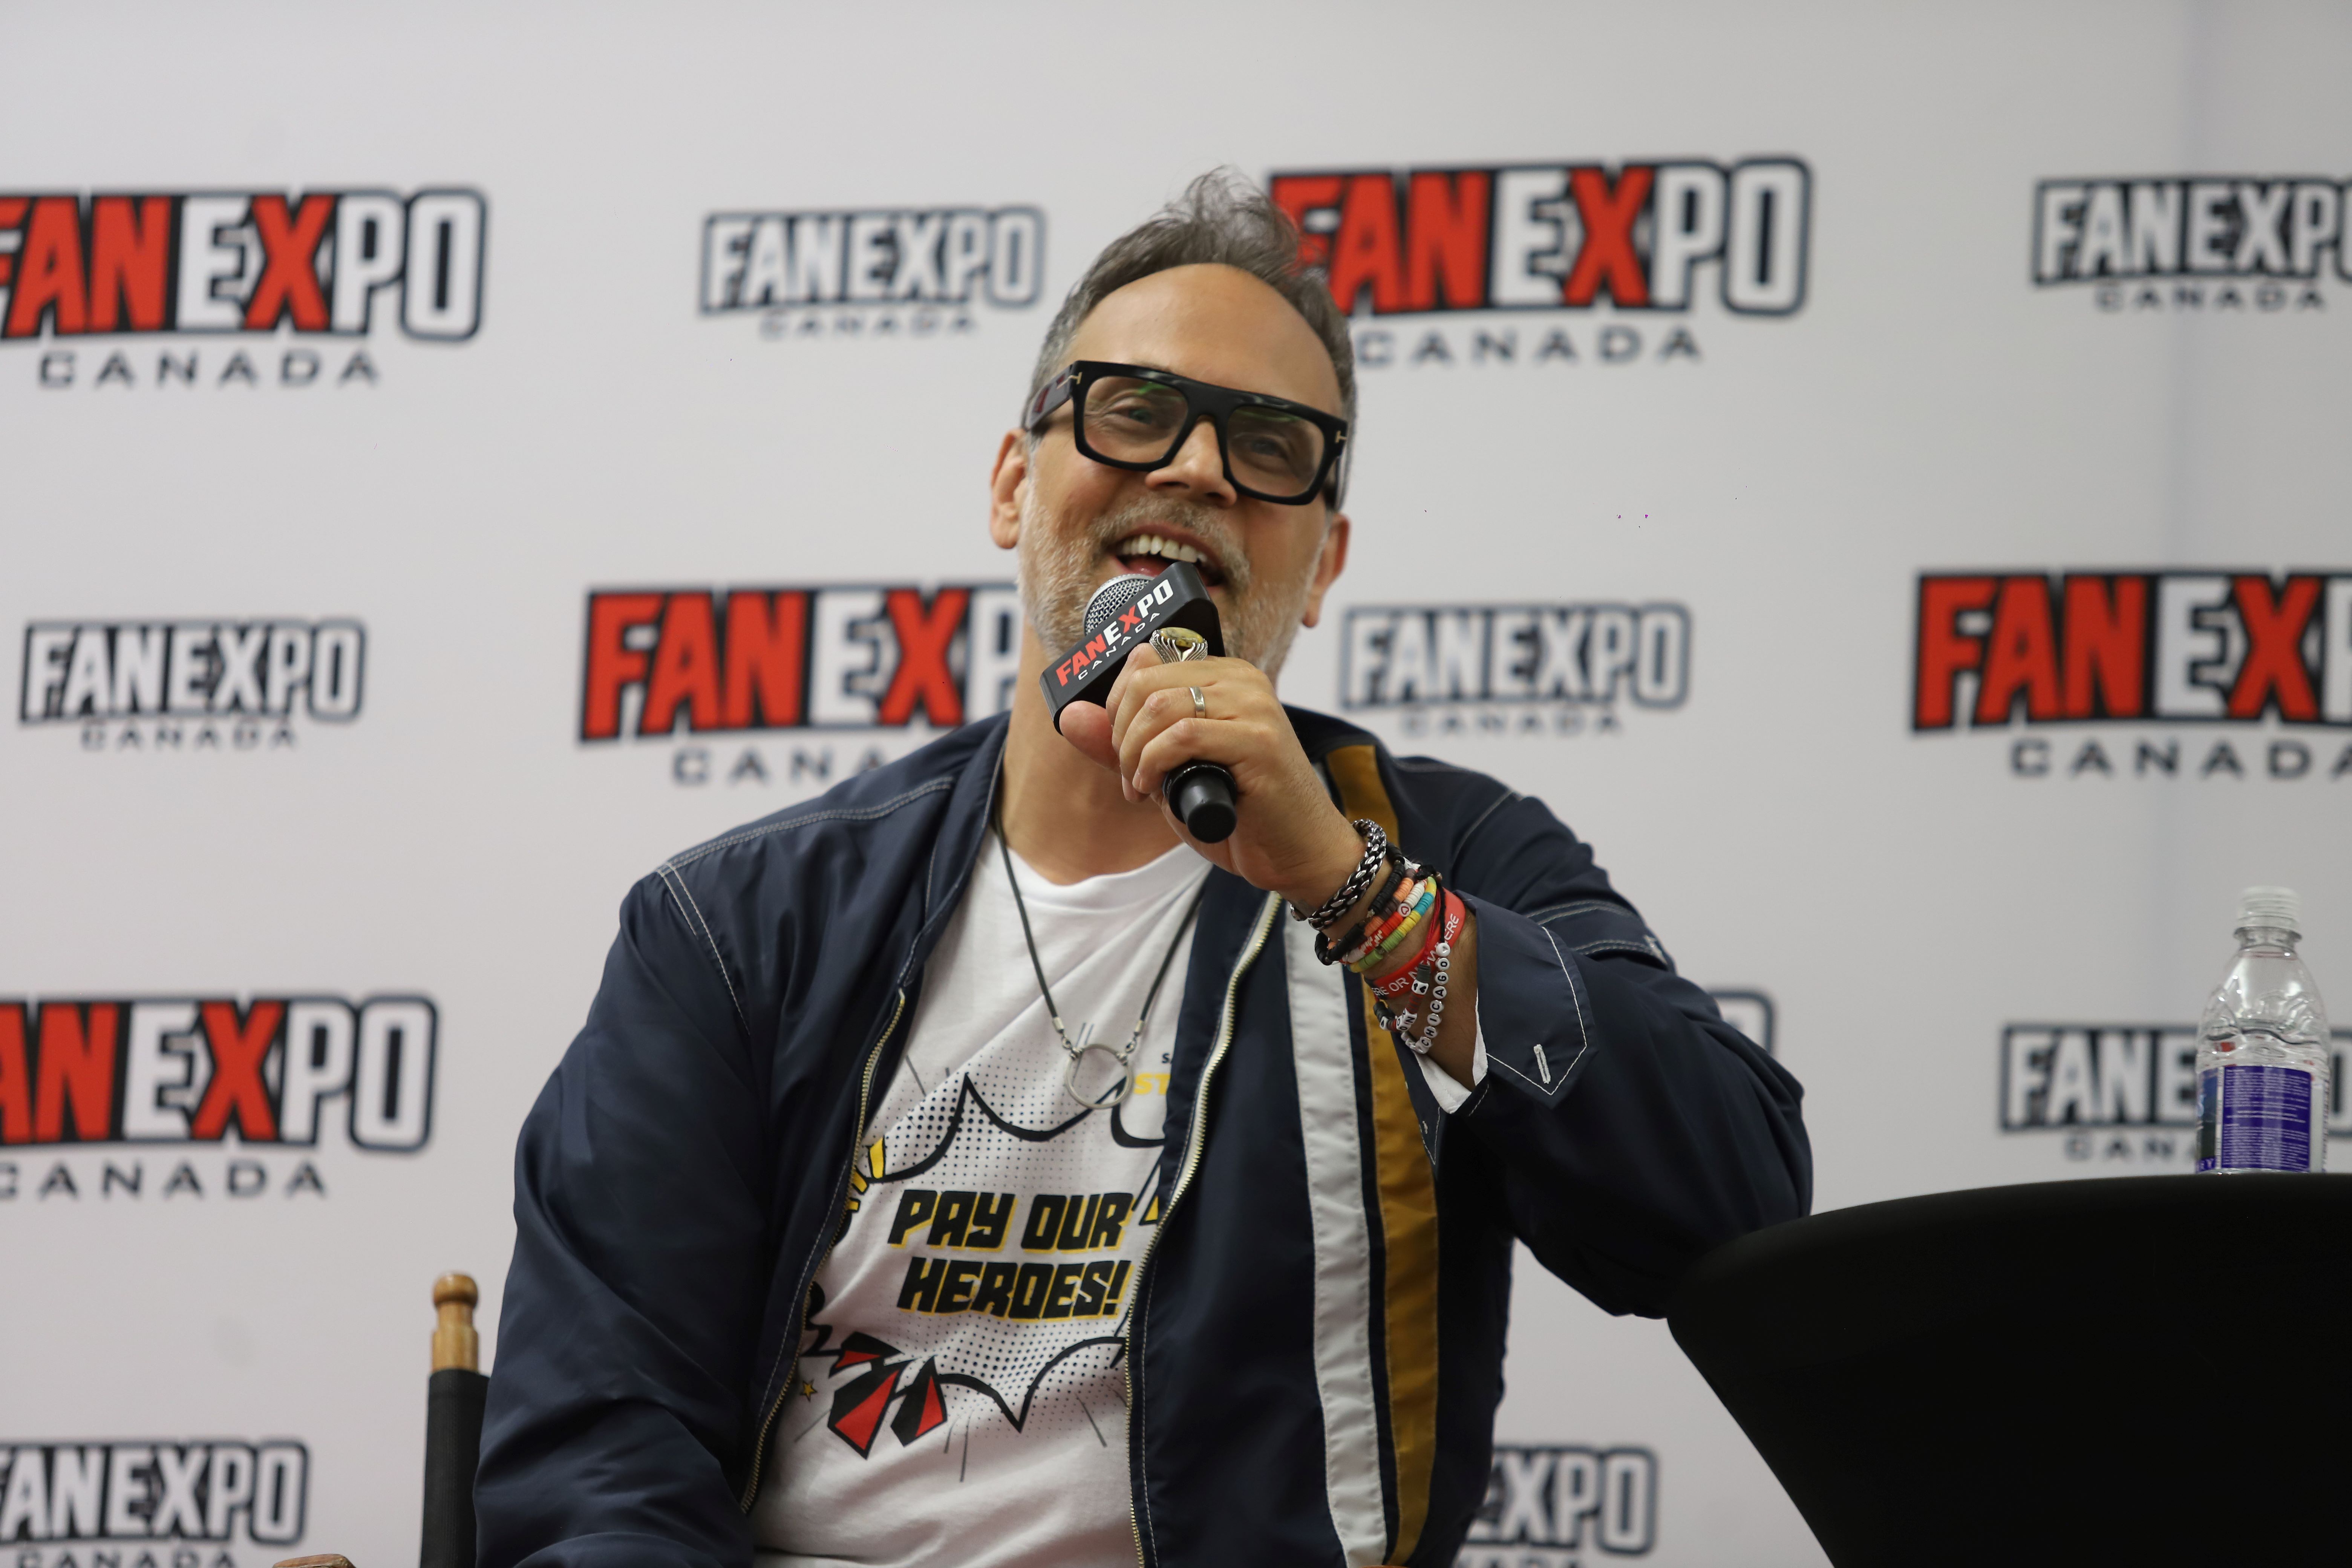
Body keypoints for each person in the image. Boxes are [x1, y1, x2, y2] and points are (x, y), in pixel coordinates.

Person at [477, 170, 1810, 1568]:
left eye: (1270, 444)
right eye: (1132, 410)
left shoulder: (1448, 857)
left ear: (1323, 560)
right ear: (1014, 483)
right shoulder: (741, 928)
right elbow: (598, 1447)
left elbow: (1726, 1213)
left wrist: (1354, 892)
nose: (1194, 470)